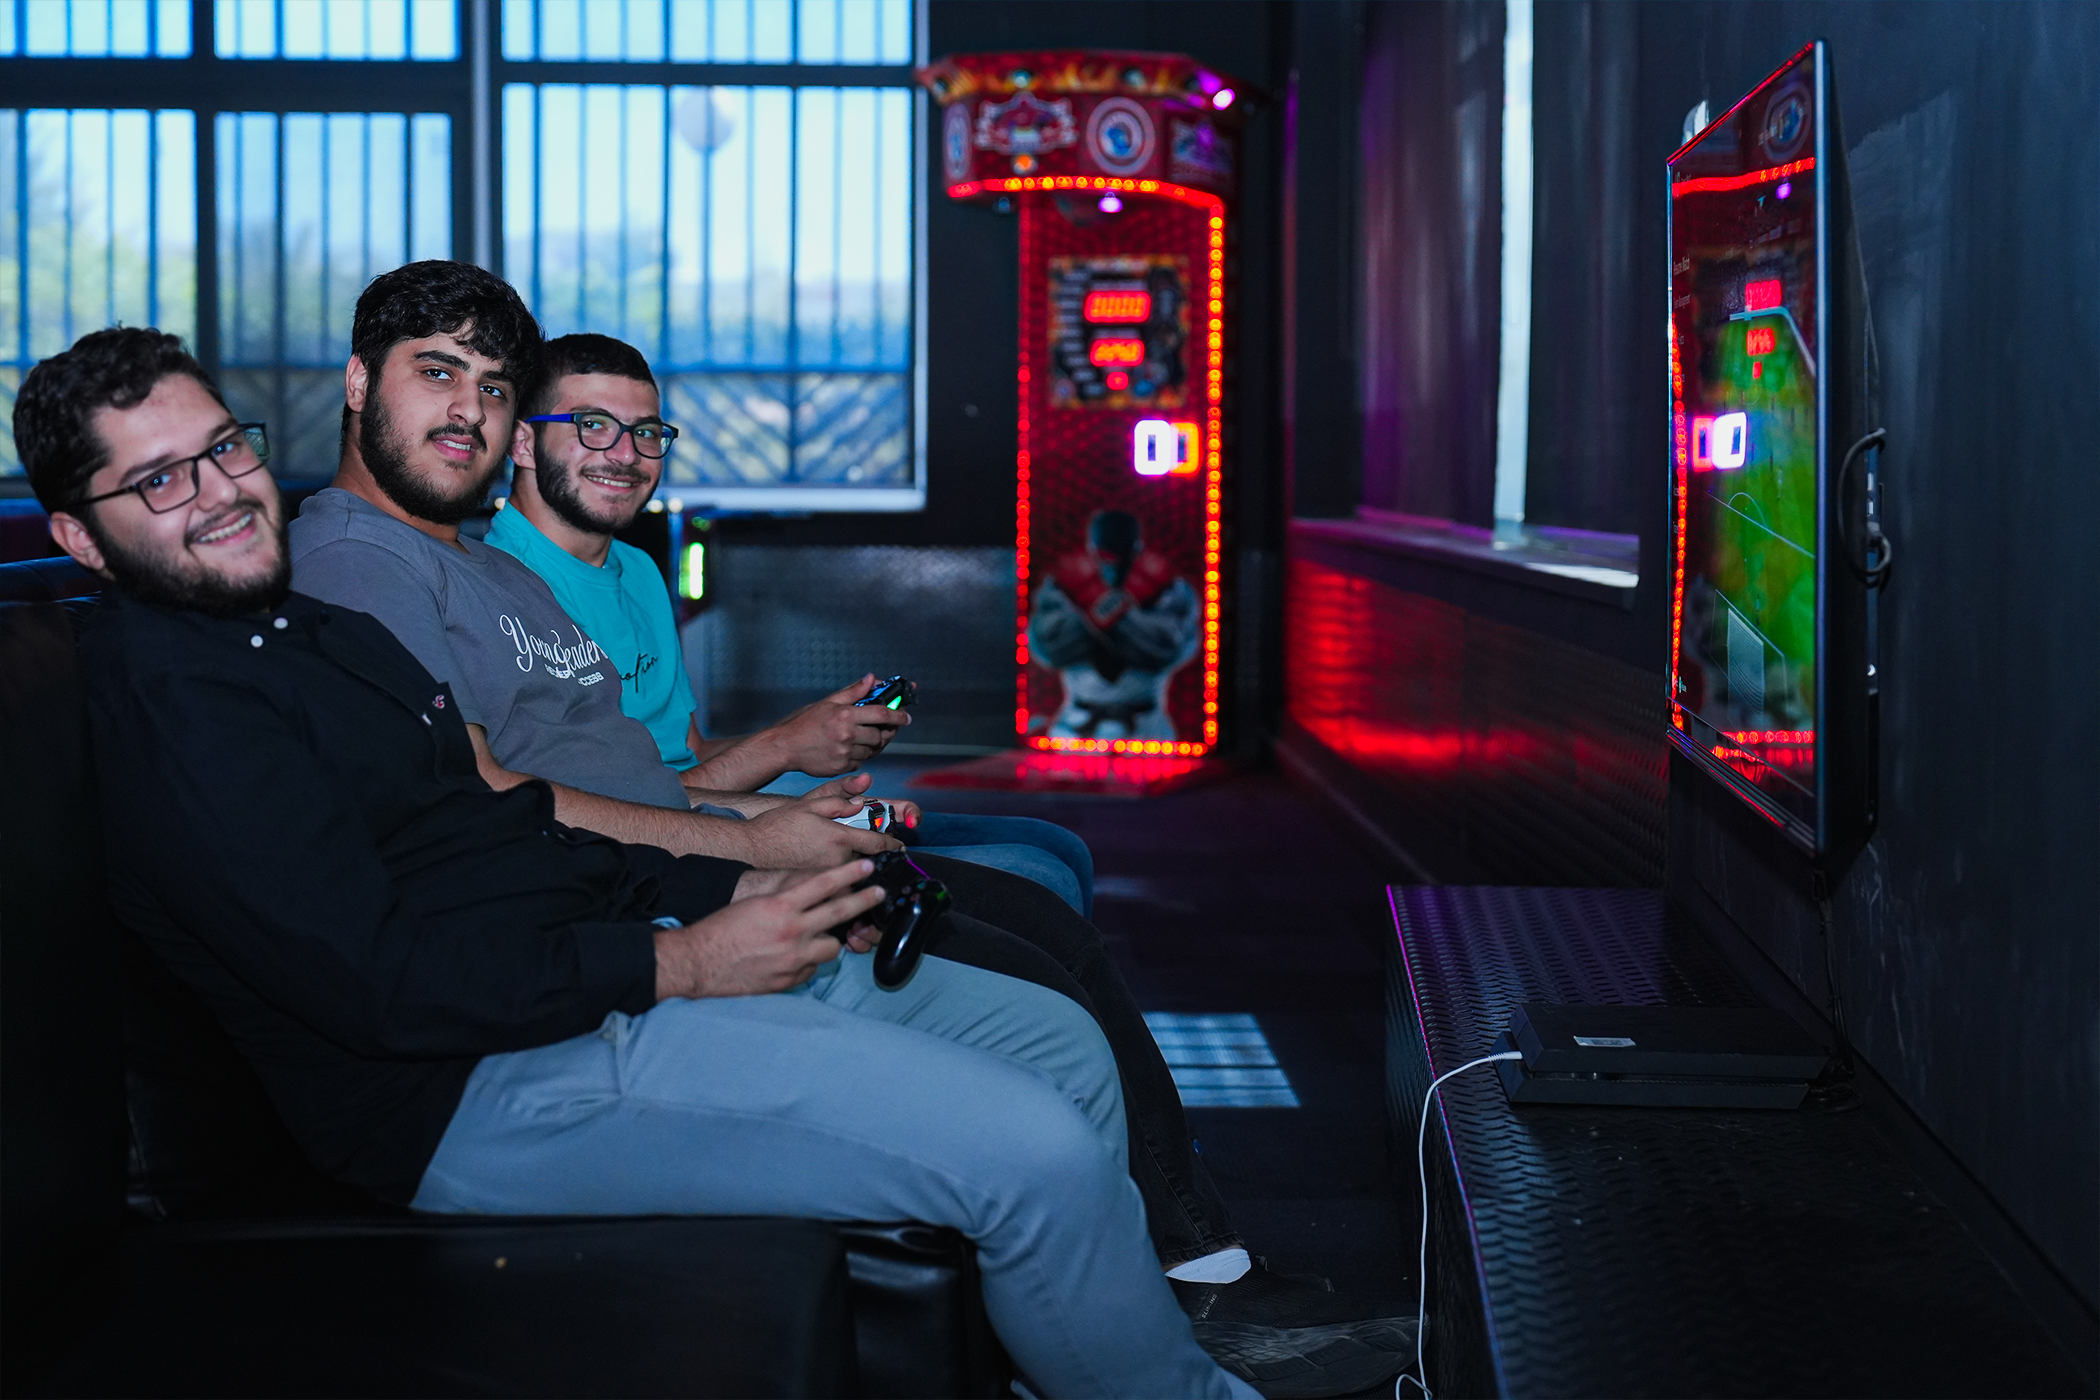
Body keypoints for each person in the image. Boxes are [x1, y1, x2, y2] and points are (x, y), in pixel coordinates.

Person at [20, 324, 1260, 1400]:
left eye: (225, 448)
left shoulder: (313, 630)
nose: (220, 492)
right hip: (476, 1086)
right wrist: (685, 958)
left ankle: (1086, 1344)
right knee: (1034, 1148)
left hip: (589, 970)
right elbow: (376, 983)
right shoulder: (182, 712)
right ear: (80, 535)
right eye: (160, 480)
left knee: (1059, 1047)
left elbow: (510, 828)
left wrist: (732, 882)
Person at [276, 266, 1410, 1397]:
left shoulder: (502, 570)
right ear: (362, 383)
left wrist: (776, 816)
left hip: (661, 890)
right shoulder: (357, 561)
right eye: (439, 374)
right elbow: (496, 799)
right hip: (623, 940)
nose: (470, 409)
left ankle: (1127, 1306)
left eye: (490, 385)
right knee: (1034, 1003)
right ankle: (1173, 1312)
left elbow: (639, 774)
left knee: (1059, 1000)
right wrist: (753, 842)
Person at [493, 330, 1092, 914]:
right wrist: (783, 748)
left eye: (645, 432)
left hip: (717, 804)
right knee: (1041, 877)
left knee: (1060, 846)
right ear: (522, 443)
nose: (626, 455)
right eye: (593, 425)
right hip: (666, 847)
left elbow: (687, 751)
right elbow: (604, 808)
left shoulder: (638, 568)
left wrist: (813, 734)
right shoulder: (497, 590)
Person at [1030, 508, 1200, 742]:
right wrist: (1091, 604)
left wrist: (1115, 613)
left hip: (1145, 730)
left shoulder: (1169, 588)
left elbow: (1169, 648)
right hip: (1077, 727)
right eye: (1105, 554)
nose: (1112, 563)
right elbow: (1048, 649)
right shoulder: (1062, 586)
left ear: (1138, 548)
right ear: (1091, 548)